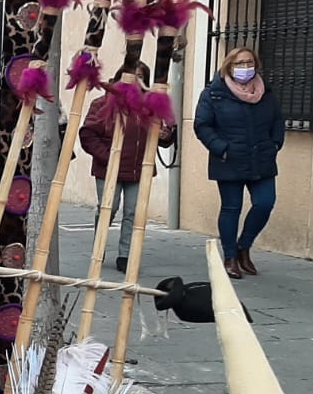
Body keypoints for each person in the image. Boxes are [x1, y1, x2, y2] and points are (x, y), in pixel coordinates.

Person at [194, 45, 283, 279]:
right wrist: (221, 149)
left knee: (265, 203)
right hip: (230, 159)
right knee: (231, 208)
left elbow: (277, 121)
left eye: (249, 63)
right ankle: (230, 256)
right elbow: (202, 125)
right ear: (229, 66)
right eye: (239, 63)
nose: (245, 68)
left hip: (261, 158)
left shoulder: (265, 92)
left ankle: (244, 246)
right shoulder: (214, 93)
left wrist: (275, 144)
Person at [80, 63, 176, 272]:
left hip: (138, 168)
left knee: (133, 212)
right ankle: (99, 247)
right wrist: (108, 157)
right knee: (108, 208)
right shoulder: (103, 103)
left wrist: (165, 134)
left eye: (141, 76)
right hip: (108, 168)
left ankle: (125, 255)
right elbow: (87, 134)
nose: (135, 80)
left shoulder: (150, 105)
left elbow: (164, 136)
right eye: (132, 75)